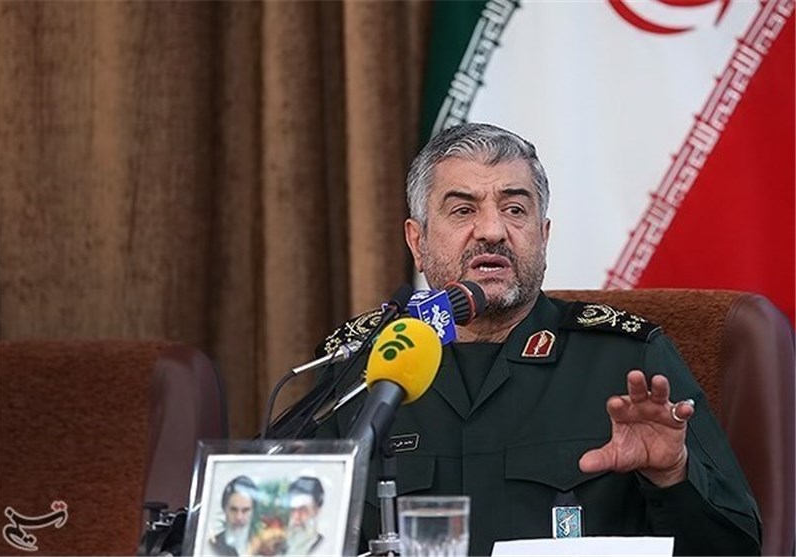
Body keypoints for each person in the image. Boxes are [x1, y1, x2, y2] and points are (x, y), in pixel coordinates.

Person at [317, 122, 762, 556]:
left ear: (543, 236)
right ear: (418, 241)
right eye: (463, 210)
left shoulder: (627, 361)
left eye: (515, 209)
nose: (492, 231)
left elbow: (739, 548)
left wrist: (673, 476)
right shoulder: (362, 367)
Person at [208, 476, 258, 556]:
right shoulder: (212, 546)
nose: (239, 517)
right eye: (233, 510)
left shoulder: (264, 547)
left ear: (254, 511)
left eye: (245, 510)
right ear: (224, 509)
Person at [284, 476, 325, 555]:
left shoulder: (326, 549)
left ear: (316, 511)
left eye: (303, 510)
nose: (296, 517)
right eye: (292, 510)